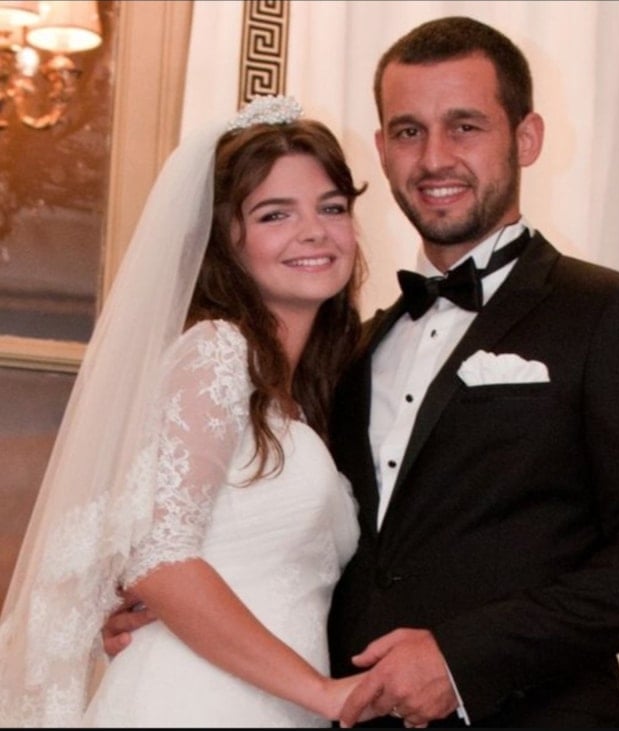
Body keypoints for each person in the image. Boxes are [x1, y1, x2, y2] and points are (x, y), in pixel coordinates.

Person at [104, 16, 619, 728]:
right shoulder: (350, 352)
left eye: (465, 127)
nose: (434, 158)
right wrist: (167, 613)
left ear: (526, 138)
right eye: (408, 131)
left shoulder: (615, 314)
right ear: (381, 149)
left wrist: (463, 658)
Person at [0, 95, 373, 727]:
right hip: (196, 703)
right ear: (225, 239)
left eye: (331, 207)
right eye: (275, 214)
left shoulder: (307, 390)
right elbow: (161, 558)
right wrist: (325, 693)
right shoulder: (218, 350)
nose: (314, 230)